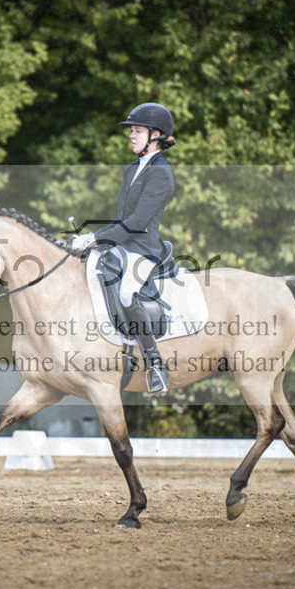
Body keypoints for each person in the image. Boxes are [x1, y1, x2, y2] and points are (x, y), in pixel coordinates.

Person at [70, 102, 177, 393]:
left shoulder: (161, 173)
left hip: (143, 249)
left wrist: (96, 239)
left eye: (137, 131)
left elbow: (139, 222)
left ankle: (155, 364)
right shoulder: (132, 169)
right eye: (131, 131)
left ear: (155, 135)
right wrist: (93, 239)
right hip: (123, 246)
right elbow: (122, 219)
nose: (131, 136)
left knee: (128, 294)